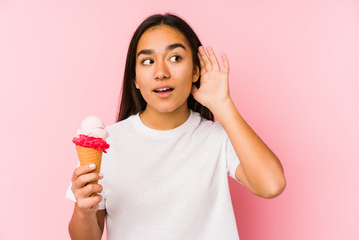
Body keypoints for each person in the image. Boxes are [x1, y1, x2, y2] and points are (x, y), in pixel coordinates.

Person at [66, 13, 286, 240]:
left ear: (195, 71)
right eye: (148, 61)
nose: (161, 73)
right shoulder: (107, 144)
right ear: (135, 79)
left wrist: (223, 105)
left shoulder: (218, 138)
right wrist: (84, 209)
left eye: (175, 58)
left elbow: (272, 185)